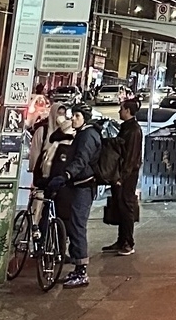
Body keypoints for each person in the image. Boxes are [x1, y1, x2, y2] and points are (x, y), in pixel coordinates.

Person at [44, 100, 101, 288]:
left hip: (84, 187)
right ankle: (77, 269)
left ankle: (81, 271)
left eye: (77, 116)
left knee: (77, 226)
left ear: (85, 118)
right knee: (74, 225)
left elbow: (81, 160)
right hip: (77, 185)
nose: (73, 119)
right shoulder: (83, 134)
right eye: (73, 115)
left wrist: (66, 174)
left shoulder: (88, 135)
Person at [103, 97, 143, 255]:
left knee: (126, 206)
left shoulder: (133, 130)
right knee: (120, 206)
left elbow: (131, 158)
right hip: (121, 173)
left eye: (121, 109)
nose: (119, 111)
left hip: (126, 175)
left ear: (127, 110)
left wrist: (121, 177)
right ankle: (121, 240)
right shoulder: (126, 128)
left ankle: (128, 242)